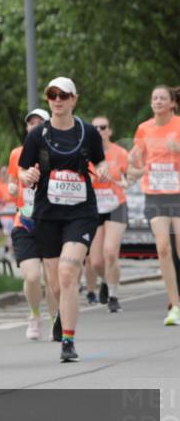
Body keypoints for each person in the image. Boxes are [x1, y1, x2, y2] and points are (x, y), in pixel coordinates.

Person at [19, 77, 107, 362]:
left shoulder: (88, 132)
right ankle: (59, 316)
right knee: (55, 284)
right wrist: (28, 176)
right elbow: (21, 171)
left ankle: (68, 340)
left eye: (63, 95)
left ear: (73, 99)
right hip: (47, 213)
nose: (57, 100)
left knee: (69, 274)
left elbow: (100, 160)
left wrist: (104, 170)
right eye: (52, 95)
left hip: (81, 212)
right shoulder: (37, 136)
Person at [128, 85, 180, 325]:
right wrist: (134, 164)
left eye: (162, 98)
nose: (157, 101)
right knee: (162, 248)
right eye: (154, 98)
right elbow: (136, 166)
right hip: (155, 195)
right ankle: (175, 306)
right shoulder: (144, 129)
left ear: (172, 103)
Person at [8, 108, 59, 340]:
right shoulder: (16, 153)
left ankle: (55, 318)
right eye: (31, 123)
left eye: (39, 122)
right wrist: (12, 186)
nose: (34, 126)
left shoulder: (58, 150)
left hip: (50, 220)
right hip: (25, 221)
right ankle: (35, 314)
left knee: (52, 279)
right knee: (31, 277)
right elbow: (13, 178)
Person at [85, 116, 130, 313]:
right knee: (95, 261)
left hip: (116, 206)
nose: (99, 131)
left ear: (109, 131)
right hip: (94, 208)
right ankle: (105, 279)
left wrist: (127, 180)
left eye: (102, 127)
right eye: (94, 128)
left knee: (110, 252)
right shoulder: (85, 153)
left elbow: (132, 174)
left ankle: (113, 295)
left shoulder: (119, 152)